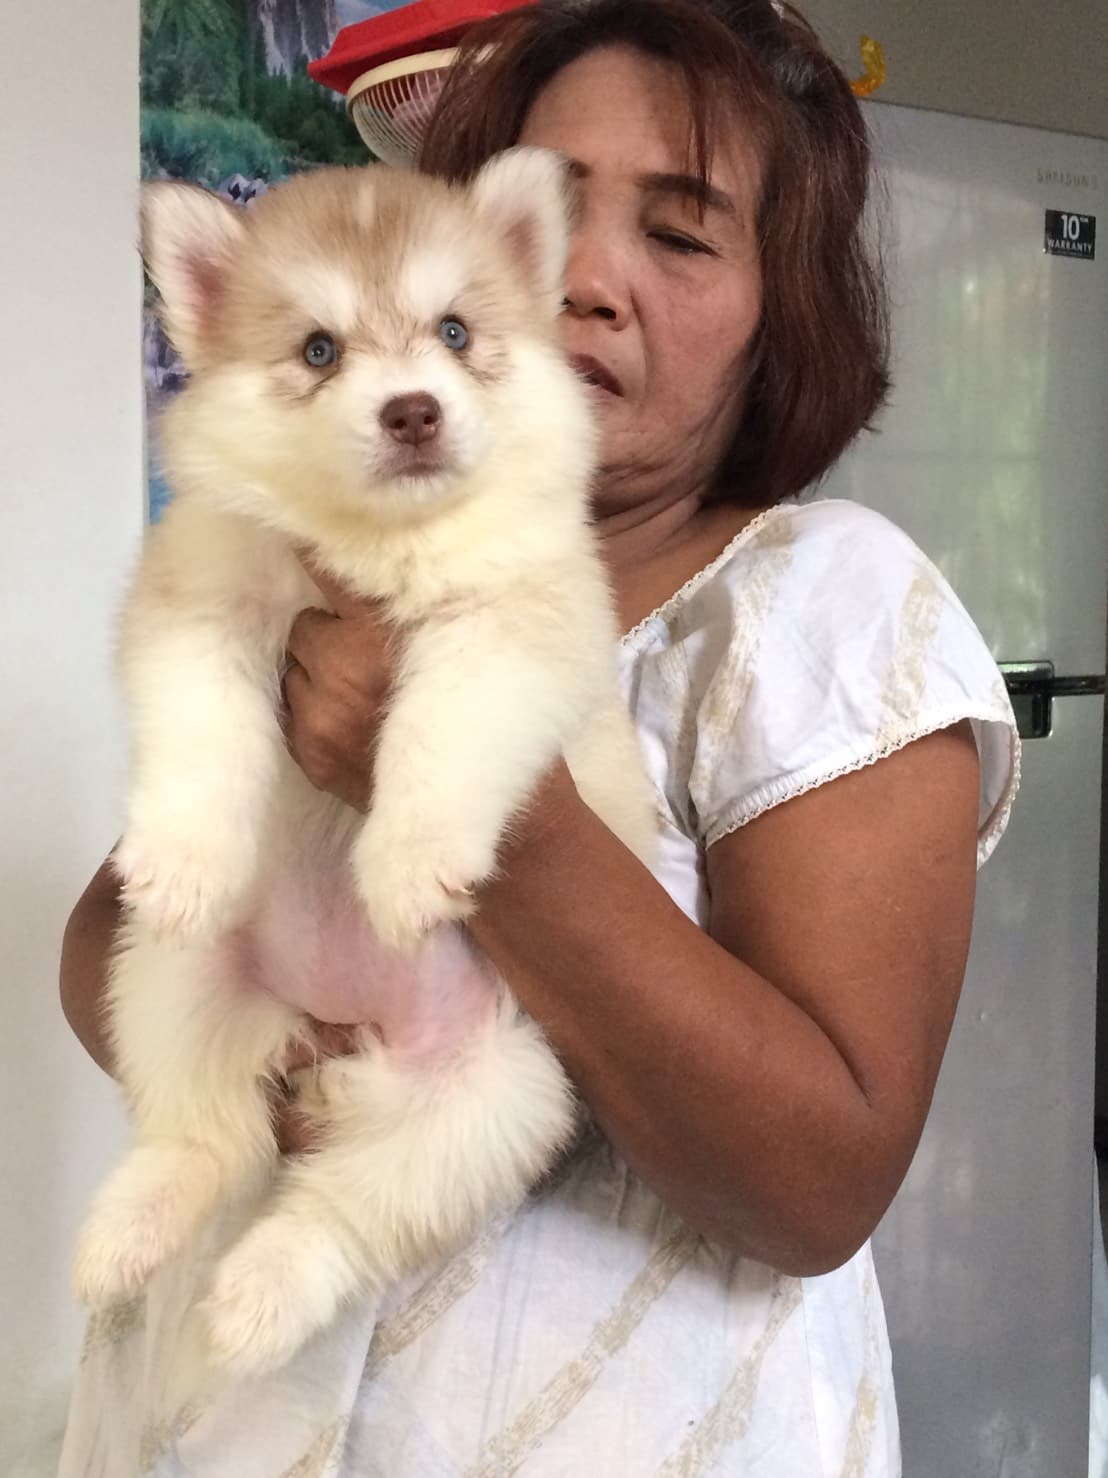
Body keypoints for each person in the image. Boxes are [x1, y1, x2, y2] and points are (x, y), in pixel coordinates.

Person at [58, 1, 1019, 1473]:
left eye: (680, 235)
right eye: (543, 216)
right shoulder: (317, 539)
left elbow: (818, 1181)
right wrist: (258, 1071)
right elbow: (117, 933)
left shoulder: (822, 606)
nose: (581, 279)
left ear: (782, 313)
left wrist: (467, 804)